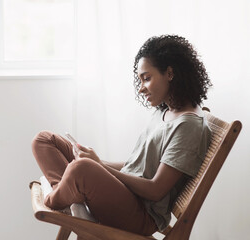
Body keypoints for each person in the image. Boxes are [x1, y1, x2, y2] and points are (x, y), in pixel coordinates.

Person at [31, 35, 212, 236]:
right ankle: (69, 197)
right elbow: (136, 167)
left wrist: (97, 166)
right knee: (45, 140)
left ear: (169, 73)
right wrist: (98, 162)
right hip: (125, 196)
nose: (141, 87)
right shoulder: (166, 111)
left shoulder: (188, 126)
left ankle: (55, 199)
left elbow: (155, 190)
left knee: (80, 168)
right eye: (141, 79)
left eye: (147, 78)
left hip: (140, 214)